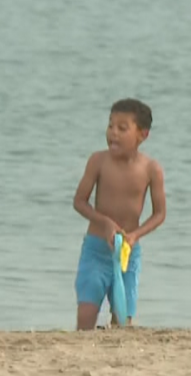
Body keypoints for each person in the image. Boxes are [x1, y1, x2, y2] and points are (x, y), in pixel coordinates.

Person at [71, 98, 166, 330]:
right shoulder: (98, 161)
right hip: (96, 249)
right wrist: (104, 223)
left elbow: (160, 214)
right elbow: (79, 202)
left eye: (122, 128)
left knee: (123, 319)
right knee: (86, 314)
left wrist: (135, 236)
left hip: (127, 252)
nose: (113, 133)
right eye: (110, 125)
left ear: (142, 135)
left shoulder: (150, 169)